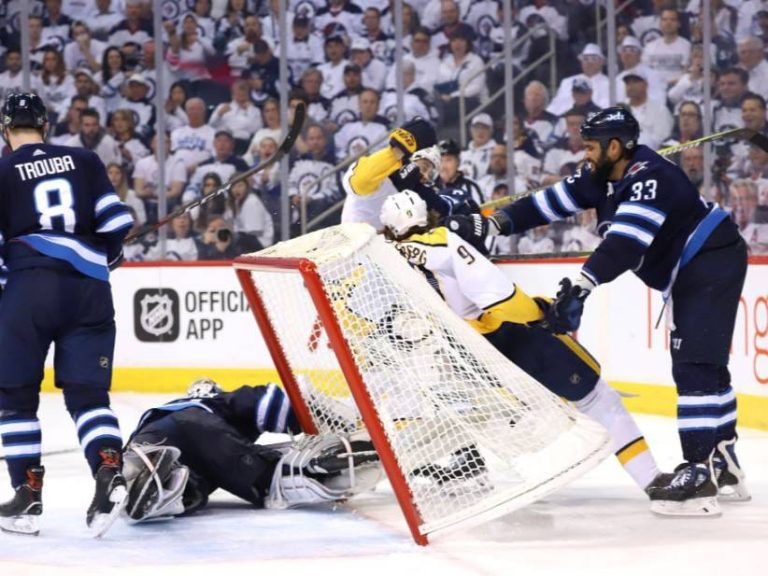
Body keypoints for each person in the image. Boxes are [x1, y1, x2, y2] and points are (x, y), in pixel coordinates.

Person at [448, 106, 750, 516]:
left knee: (694, 364)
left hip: (708, 259)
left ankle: (699, 473)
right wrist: (494, 223)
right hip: (698, 264)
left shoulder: (650, 176)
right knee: (706, 362)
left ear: (615, 145)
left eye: (591, 145)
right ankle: (723, 459)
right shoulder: (602, 176)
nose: (584, 153)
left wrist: (580, 286)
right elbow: (548, 203)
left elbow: (626, 243)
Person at [379, 190, 667, 506]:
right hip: (504, 339)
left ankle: (473, 471)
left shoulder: (385, 258)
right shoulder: (444, 242)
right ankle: (652, 480)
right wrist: (542, 312)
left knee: (496, 420)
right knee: (597, 398)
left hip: (458, 355)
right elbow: (500, 298)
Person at [0, 92, 133, 537]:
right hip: (89, 291)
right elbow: (116, 224)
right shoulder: (84, 159)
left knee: (16, 398)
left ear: (5, 130)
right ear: (45, 126)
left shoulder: (1, 169)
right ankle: (109, 470)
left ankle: (28, 496)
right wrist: (103, 256)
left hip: (28, 292)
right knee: (89, 399)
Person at [122, 378, 381, 524]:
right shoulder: (215, 403)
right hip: (197, 426)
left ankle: (147, 482)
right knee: (274, 479)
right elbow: (273, 401)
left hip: (149, 437)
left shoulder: (167, 409)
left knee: (189, 491)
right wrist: (337, 423)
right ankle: (318, 466)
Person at [340, 117, 436, 229]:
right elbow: (360, 181)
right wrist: (398, 150)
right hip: (355, 243)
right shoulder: (380, 181)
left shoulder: (422, 194)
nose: (426, 176)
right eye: (424, 167)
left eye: (432, 171)